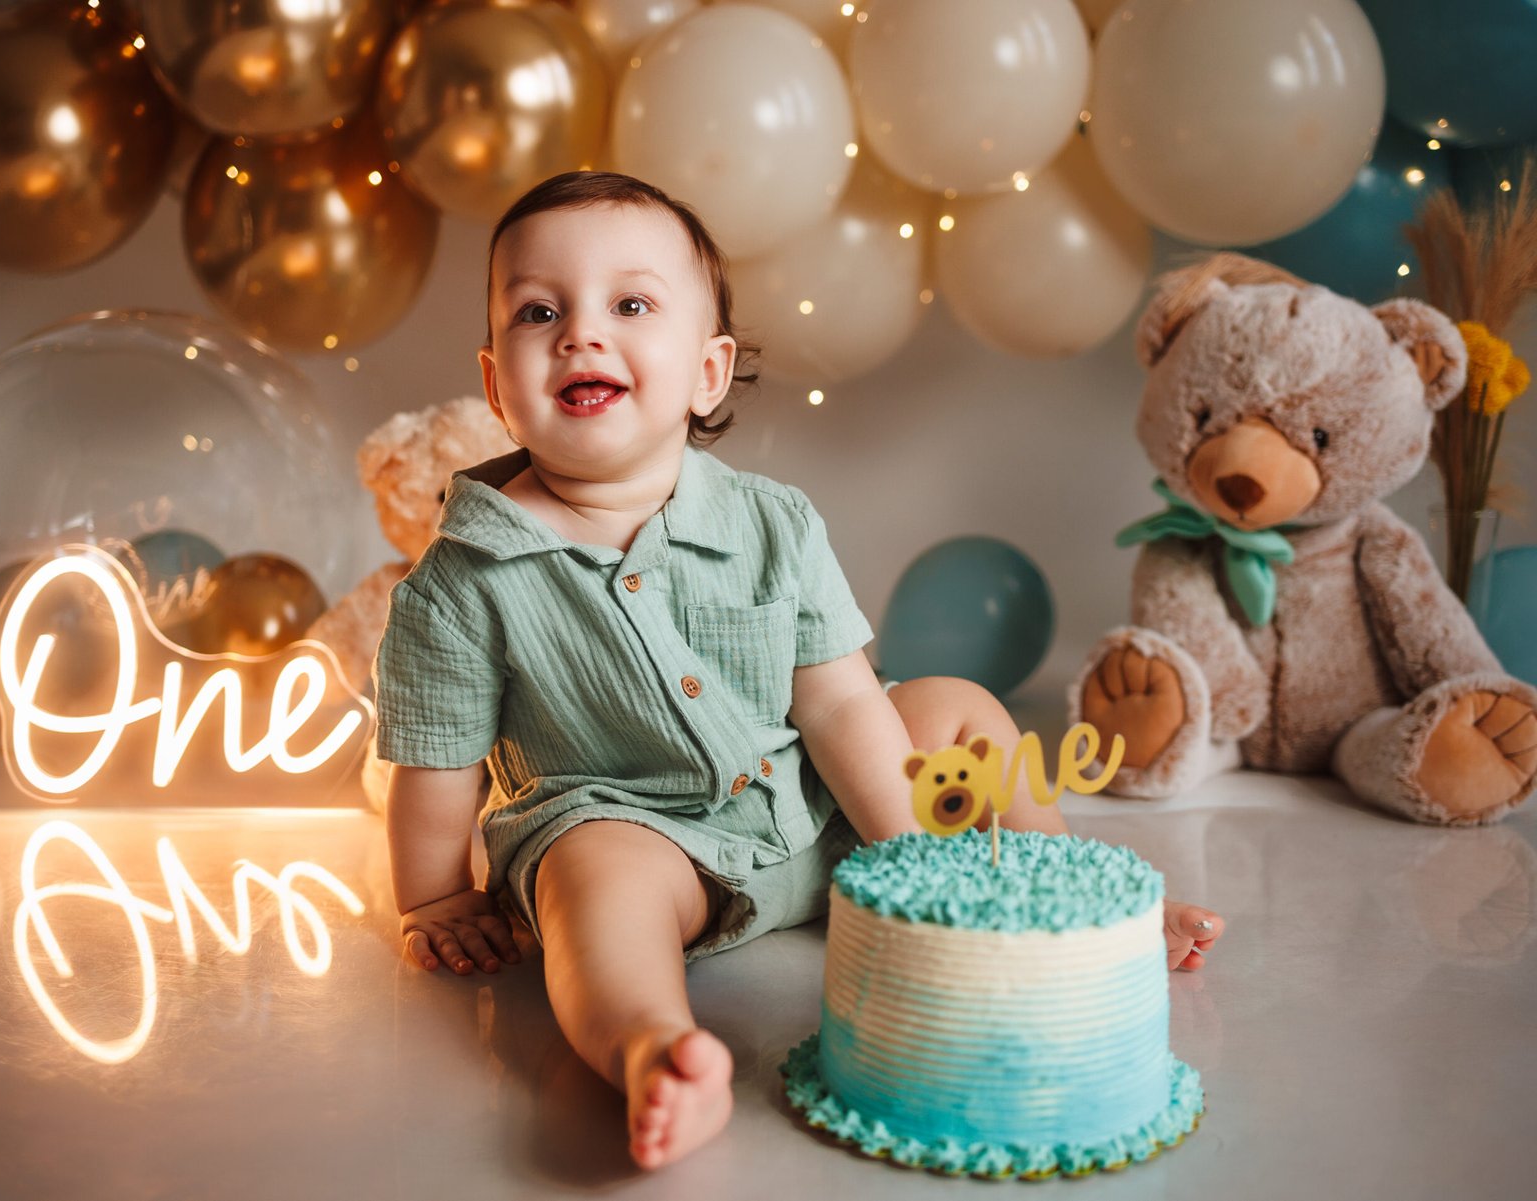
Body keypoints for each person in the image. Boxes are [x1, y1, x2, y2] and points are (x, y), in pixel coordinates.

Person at [375, 171, 1224, 1171]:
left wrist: (912, 861)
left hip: (818, 810)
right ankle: (651, 1046)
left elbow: (837, 701)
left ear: (707, 371)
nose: (579, 334)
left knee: (948, 708)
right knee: (589, 884)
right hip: (636, 829)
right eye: (539, 311)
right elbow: (437, 765)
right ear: (495, 385)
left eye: (630, 304)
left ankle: (1060, 902)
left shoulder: (772, 521)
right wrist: (434, 898)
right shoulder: (461, 577)